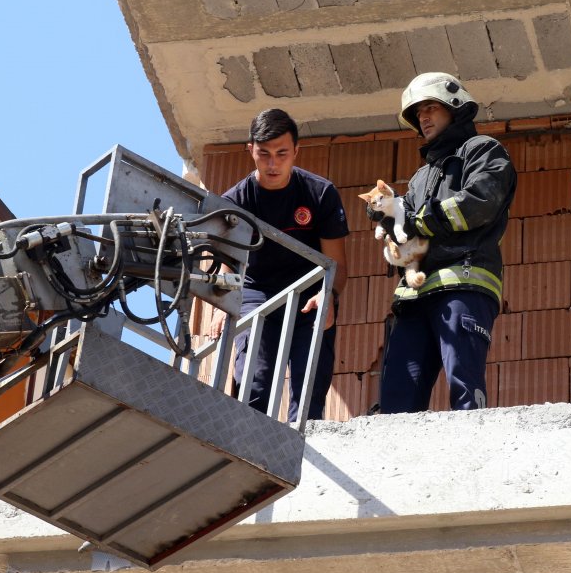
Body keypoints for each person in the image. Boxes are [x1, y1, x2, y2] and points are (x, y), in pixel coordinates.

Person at [376, 72, 516, 413]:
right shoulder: (422, 176)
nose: (423, 118)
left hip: (463, 285)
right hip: (414, 297)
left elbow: (479, 202)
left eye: (430, 108)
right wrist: (389, 215)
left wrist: (420, 220)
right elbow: (405, 223)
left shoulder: (482, 150)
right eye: (417, 113)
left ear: (455, 107)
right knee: (396, 400)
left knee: (464, 388)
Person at [213, 108, 348, 421]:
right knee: (254, 381)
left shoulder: (320, 193)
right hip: (256, 292)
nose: (273, 164)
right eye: (264, 154)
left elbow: (337, 263)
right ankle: (250, 447)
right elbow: (228, 267)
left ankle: (303, 452)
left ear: (296, 151)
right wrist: (221, 306)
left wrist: (330, 296)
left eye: (282, 154)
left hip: (309, 294)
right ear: (251, 150)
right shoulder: (235, 201)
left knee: (309, 388)